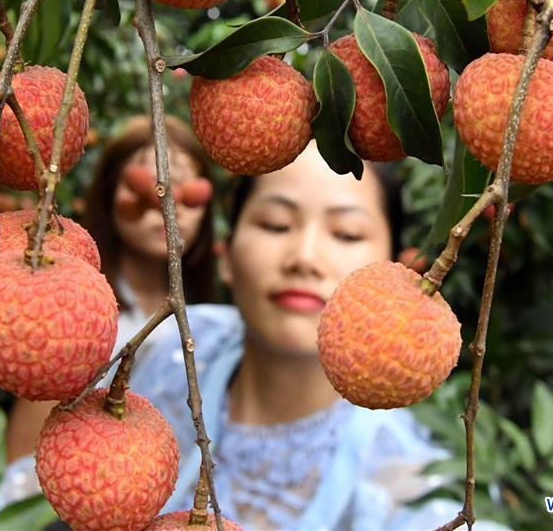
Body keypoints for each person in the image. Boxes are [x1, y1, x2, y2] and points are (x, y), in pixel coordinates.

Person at [129, 141, 509, 529]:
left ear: (398, 266)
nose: (305, 257)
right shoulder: (168, 350)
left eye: (346, 233)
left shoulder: (414, 485)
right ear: (226, 255)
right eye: (276, 224)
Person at [0, 115, 216, 528]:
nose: (163, 203)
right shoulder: (71, 310)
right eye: (143, 184)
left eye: (185, 193)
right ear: (105, 196)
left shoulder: (214, 326)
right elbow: (22, 472)